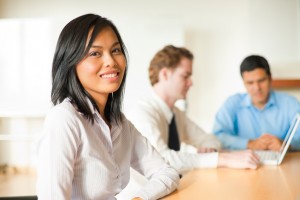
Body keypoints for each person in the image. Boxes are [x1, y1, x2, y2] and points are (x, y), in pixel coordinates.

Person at [36, 14, 179, 200]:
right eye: (95, 53)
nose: (111, 61)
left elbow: (167, 173)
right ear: (70, 63)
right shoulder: (64, 119)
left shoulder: (119, 122)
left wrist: (140, 198)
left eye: (116, 50)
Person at [126, 45, 259, 174]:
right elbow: (161, 159)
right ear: (165, 74)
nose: (191, 83)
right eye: (185, 76)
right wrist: (221, 159)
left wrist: (210, 149)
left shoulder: (176, 114)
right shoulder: (142, 112)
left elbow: (209, 139)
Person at [212, 55, 300, 151]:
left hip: (284, 163)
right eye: (250, 83)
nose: (257, 88)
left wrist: (287, 145)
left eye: (261, 81)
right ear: (244, 83)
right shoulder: (233, 103)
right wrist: (249, 144)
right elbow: (217, 136)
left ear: (270, 78)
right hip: (242, 164)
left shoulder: (290, 103)